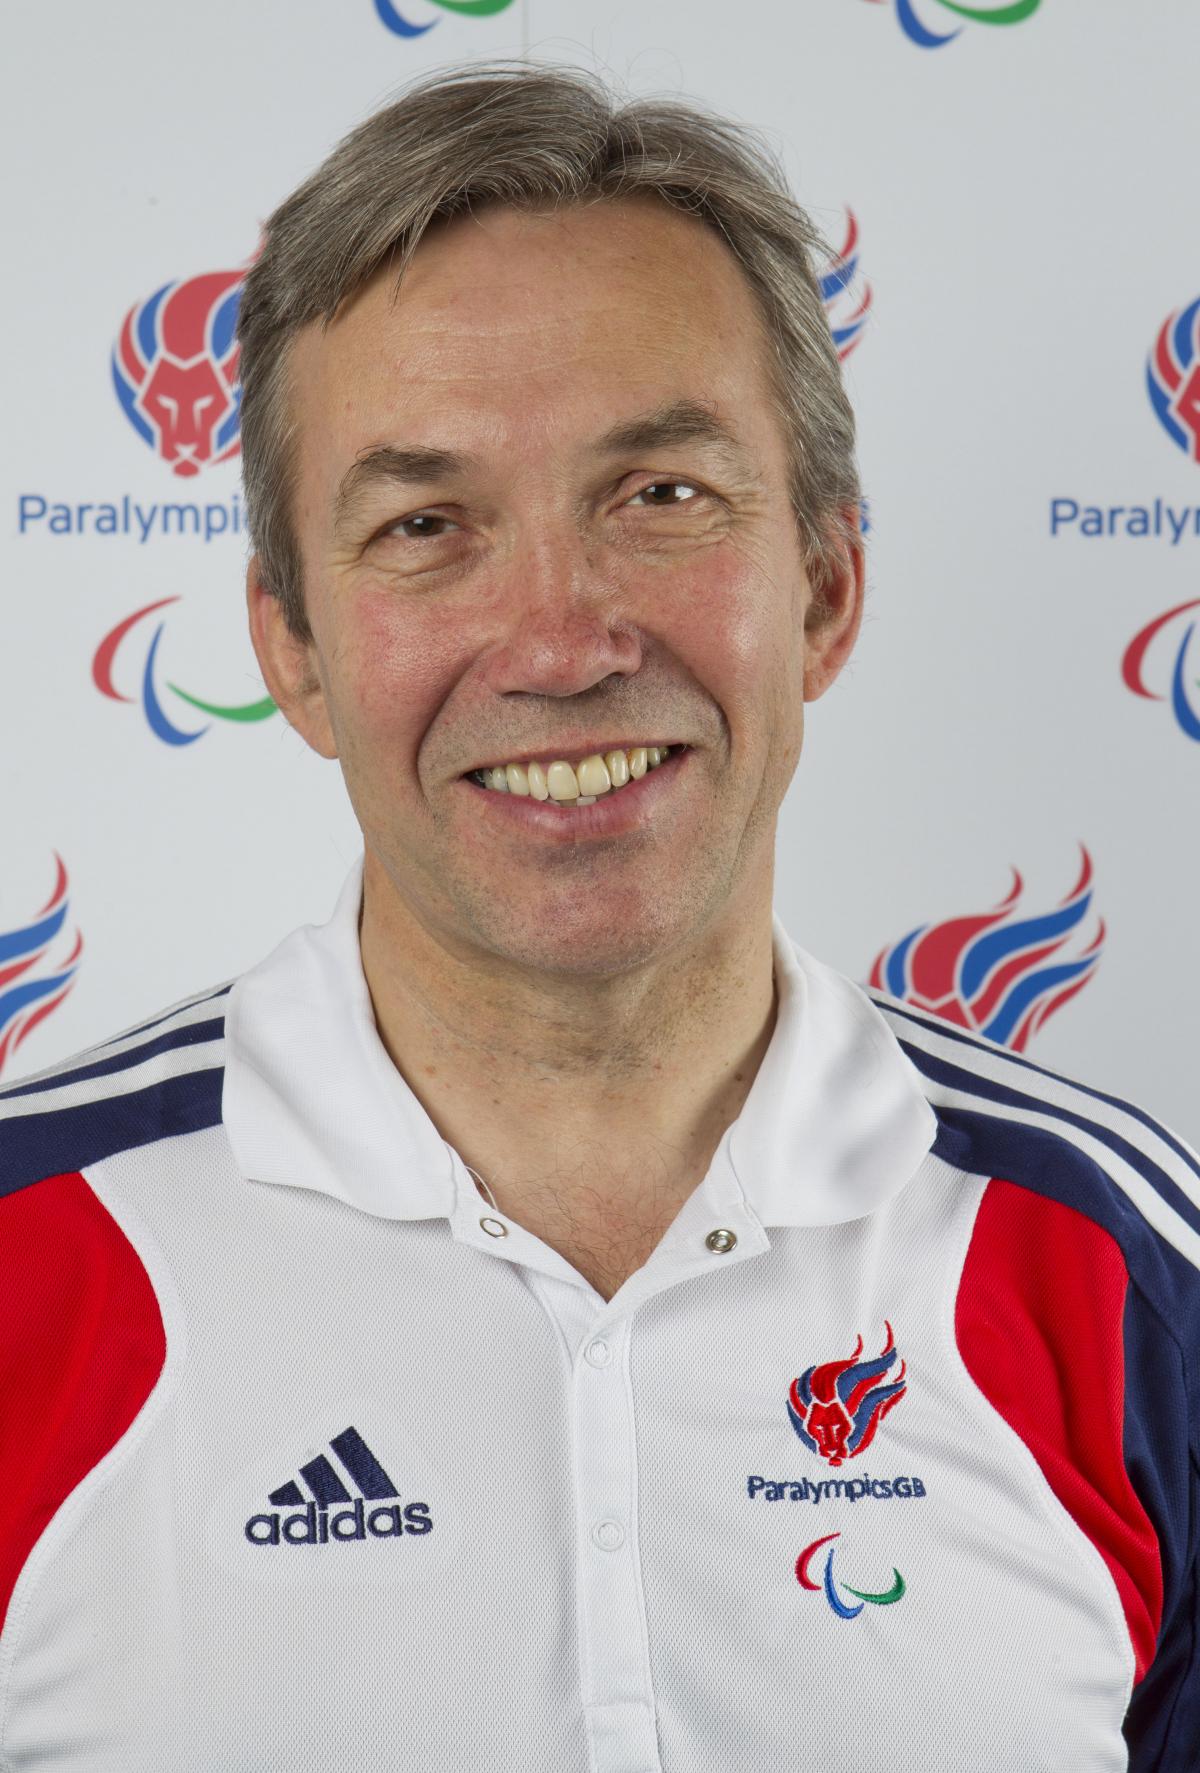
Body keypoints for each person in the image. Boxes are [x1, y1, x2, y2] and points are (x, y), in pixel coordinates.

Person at [1, 63, 1196, 1773]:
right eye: (426, 526)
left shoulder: (1134, 1273)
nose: (560, 643)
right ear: (292, 652)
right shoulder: (23, 1253)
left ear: (827, 589)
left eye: (661, 497)